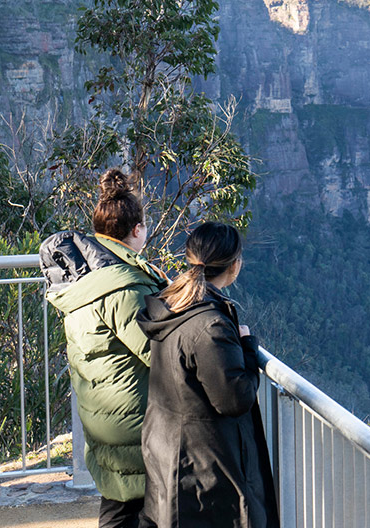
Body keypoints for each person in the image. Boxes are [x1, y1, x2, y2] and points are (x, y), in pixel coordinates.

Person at [41, 169, 168, 528]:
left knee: (117, 507)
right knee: (142, 510)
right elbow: (155, 350)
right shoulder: (123, 288)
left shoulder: (81, 281)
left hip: (101, 414)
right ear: (137, 230)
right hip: (133, 420)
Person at [137, 222, 279, 528]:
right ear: (235, 265)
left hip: (169, 446)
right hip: (203, 465)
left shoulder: (172, 304)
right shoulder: (209, 324)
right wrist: (248, 348)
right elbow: (234, 398)